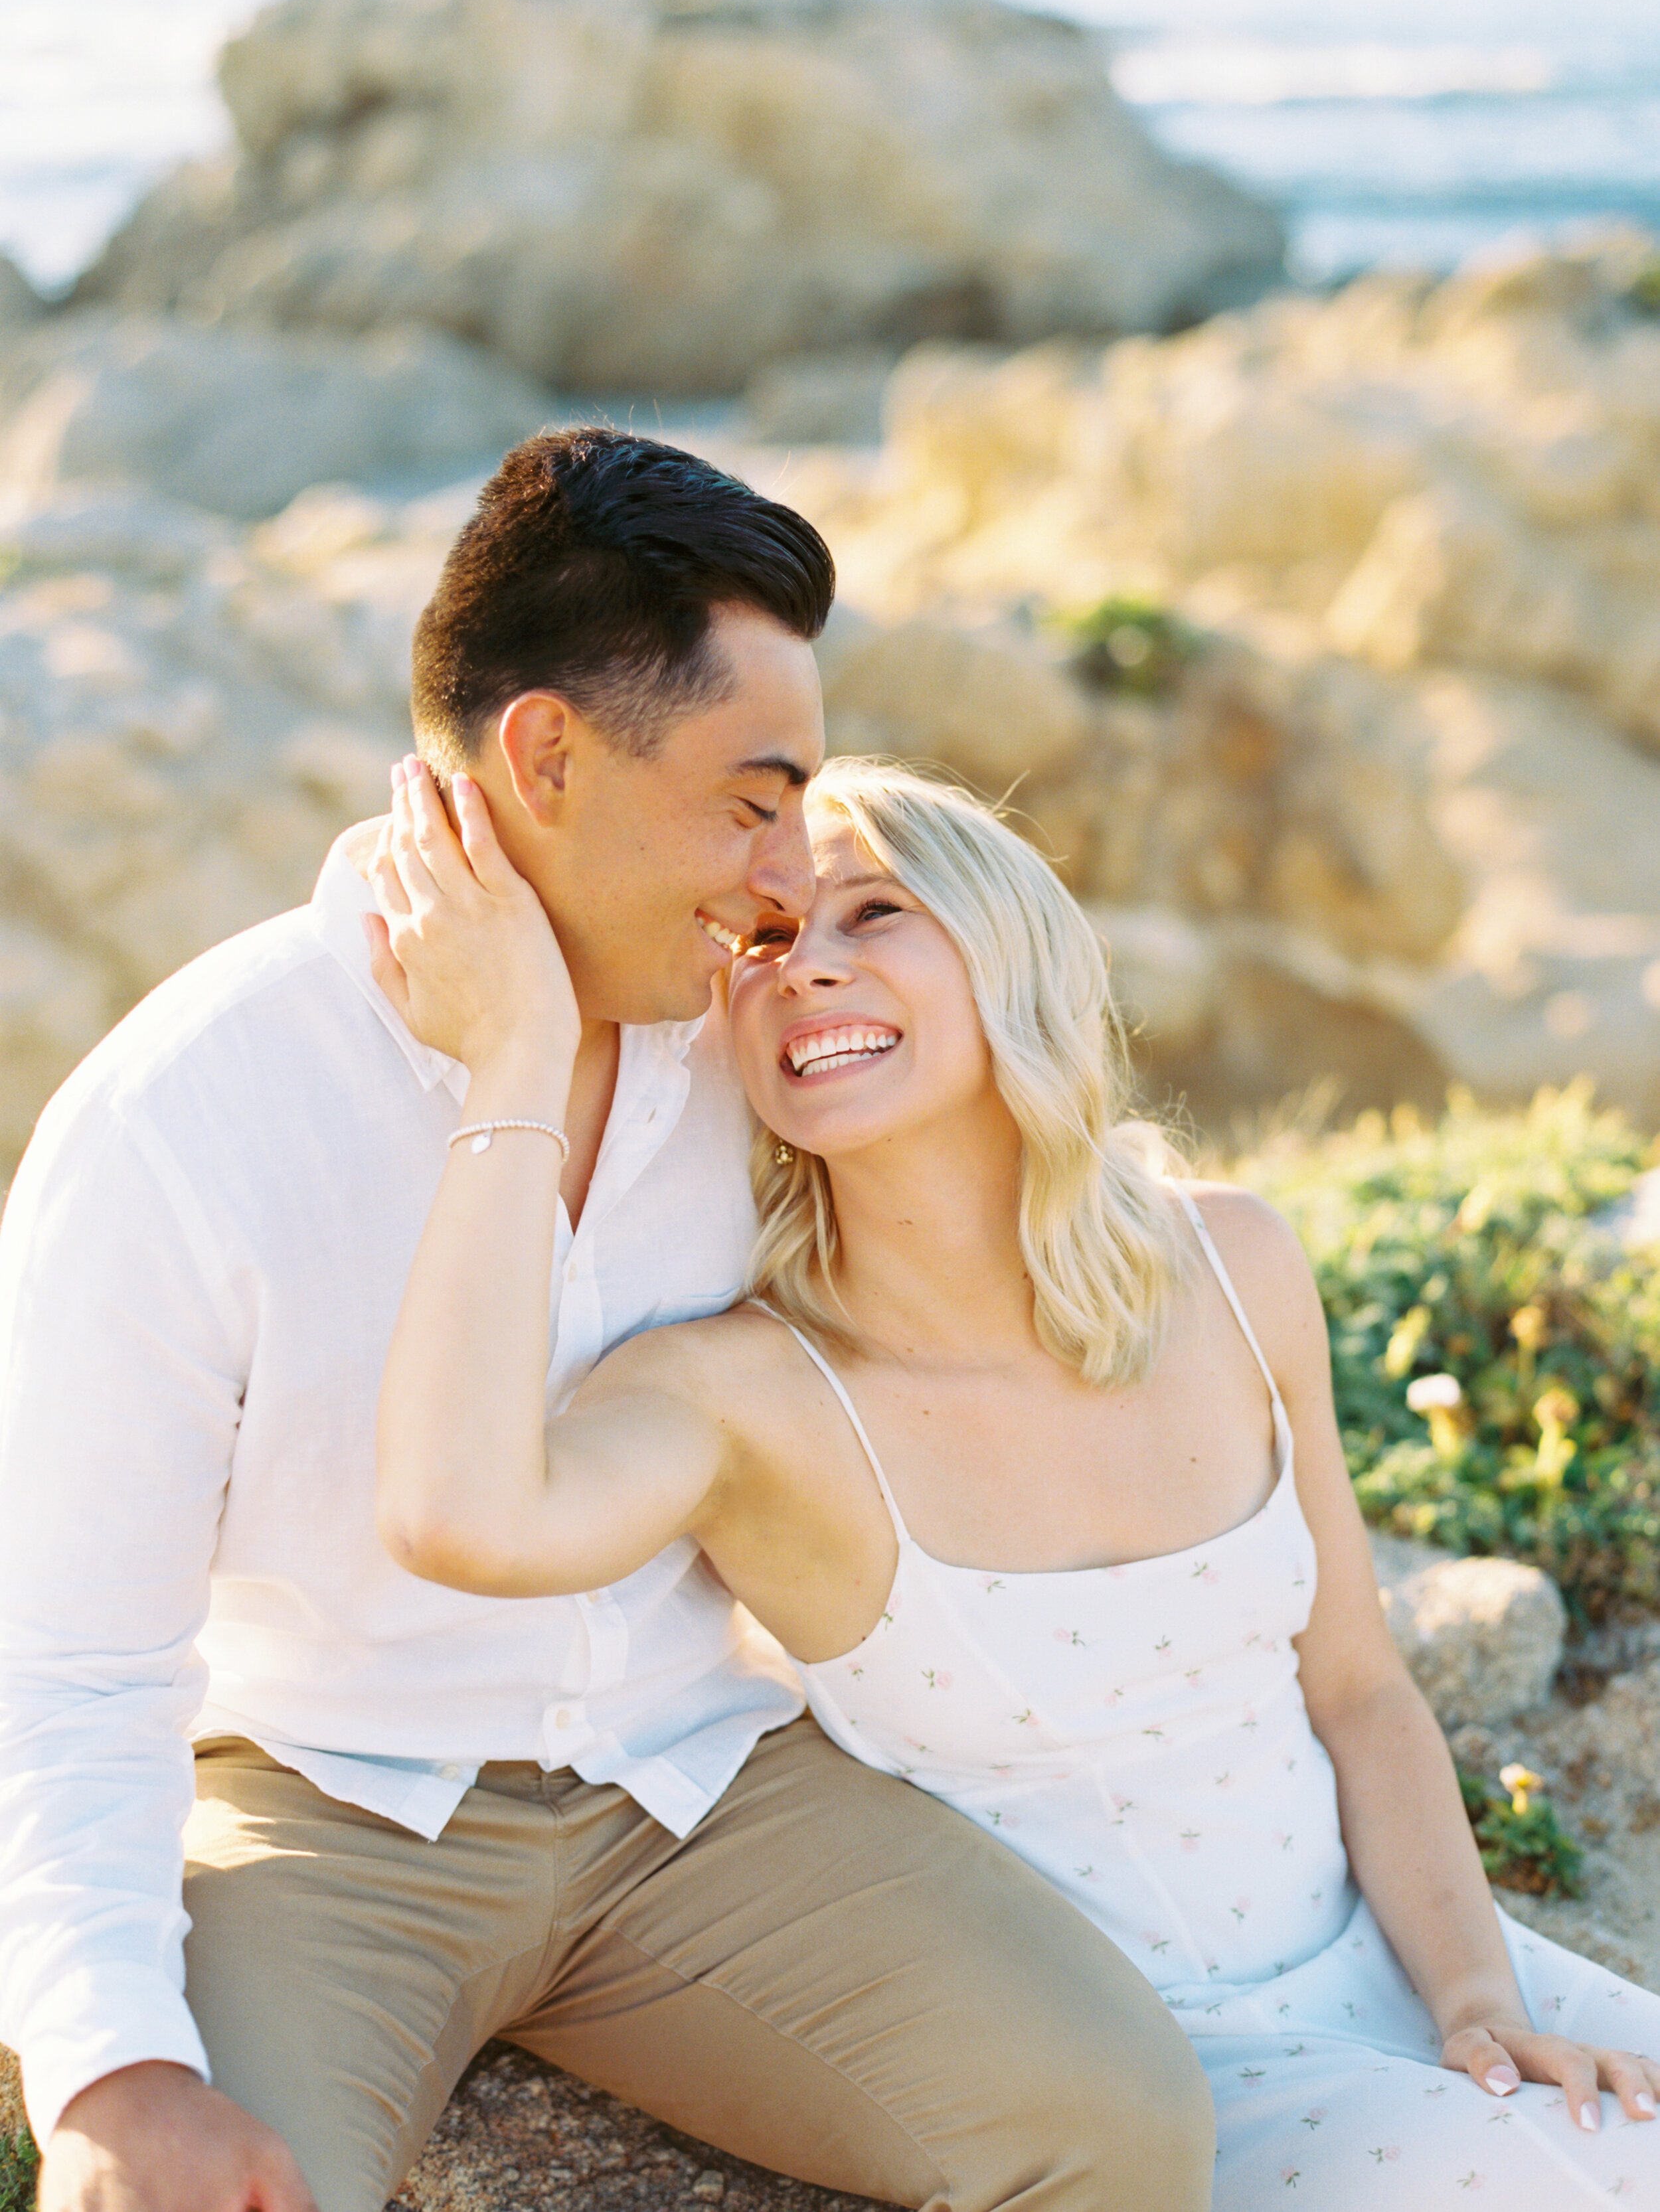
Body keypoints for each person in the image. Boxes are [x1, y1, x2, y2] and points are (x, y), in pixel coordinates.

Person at [0, 429, 1215, 2212]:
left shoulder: (741, 1046)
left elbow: (970, 1257)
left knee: (1114, 2119)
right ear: (546, 753)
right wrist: (105, 2064)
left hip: (701, 1787)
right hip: (326, 1813)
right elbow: (65, 1660)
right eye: (749, 798)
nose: (790, 875)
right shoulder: (183, 1112)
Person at [370, 749, 1660, 2211]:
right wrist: (516, 1059)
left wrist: (1477, 1999)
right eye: (765, 941)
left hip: (1419, 1957)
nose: (805, 971)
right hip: (1145, 2083)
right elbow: (457, 1512)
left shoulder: (1228, 1262)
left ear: (1007, 946)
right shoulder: (741, 1397)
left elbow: (1356, 1687)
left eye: (871, 913)